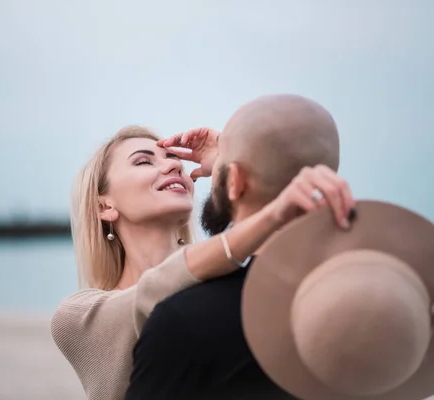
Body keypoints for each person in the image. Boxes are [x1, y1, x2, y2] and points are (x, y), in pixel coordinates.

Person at [51, 110, 352, 399]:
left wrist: (227, 164)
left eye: (173, 158)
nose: (173, 166)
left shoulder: (228, 285)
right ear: (105, 206)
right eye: (143, 162)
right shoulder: (79, 316)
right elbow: (153, 293)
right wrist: (271, 211)